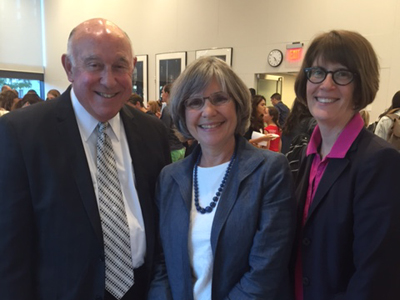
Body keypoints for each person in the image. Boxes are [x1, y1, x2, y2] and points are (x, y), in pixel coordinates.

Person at [0, 18, 171, 300]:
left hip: (142, 291)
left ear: (133, 67)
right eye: (94, 65)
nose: (109, 79)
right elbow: (10, 252)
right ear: (69, 67)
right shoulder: (22, 134)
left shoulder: (152, 132)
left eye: (119, 66)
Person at [148, 56, 296, 300]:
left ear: (238, 105)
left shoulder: (269, 170)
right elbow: (162, 262)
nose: (208, 111)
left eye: (220, 98)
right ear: (183, 113)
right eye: (195, 102)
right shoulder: (170, 178)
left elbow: (264, 272)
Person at [292, 29, 400, 300]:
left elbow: (374, 276)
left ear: (360, 85)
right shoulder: (309, 154)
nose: (325, 85)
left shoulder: (379, 162)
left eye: (341, 74)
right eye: (317, 72)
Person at [160, 83, 186, 162]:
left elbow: (165, 130)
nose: (162, 95)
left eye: (162, 92)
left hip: (172, 149)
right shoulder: (178, 107)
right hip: (181, 148)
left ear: (167, 93)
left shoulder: (167, 109)